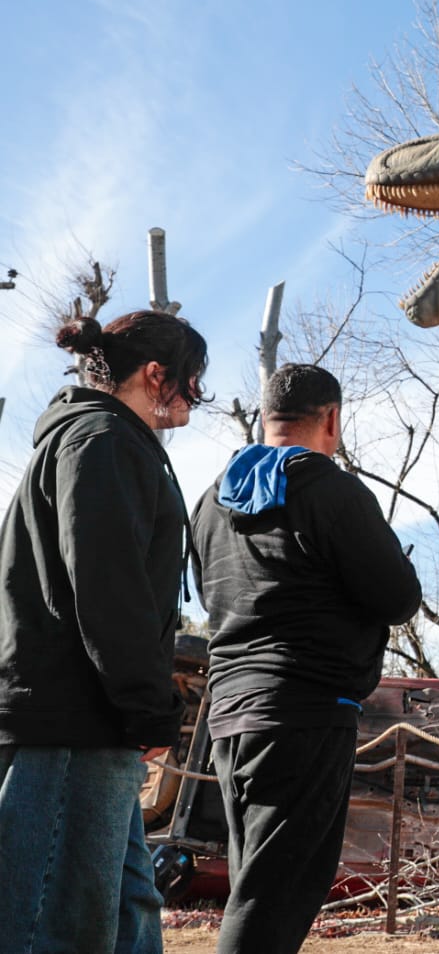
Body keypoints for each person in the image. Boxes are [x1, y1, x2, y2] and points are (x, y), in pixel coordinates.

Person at [190, 363, 422, 954]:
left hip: (229, 714)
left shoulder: (212, 500)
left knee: (256, 883)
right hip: (306, 710)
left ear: (267, 417)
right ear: (333, 419)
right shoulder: (330, 489)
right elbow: (398, 597)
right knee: (277, 893)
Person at [0, 310, 209, 954]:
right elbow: (108, 588)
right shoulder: (102, 441)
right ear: (156, 375)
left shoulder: (101, 440)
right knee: (55, 923)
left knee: (128, 907)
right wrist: (150, 711)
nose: (197, 397)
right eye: (193, 381)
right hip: (72, 724)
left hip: (90, 722)